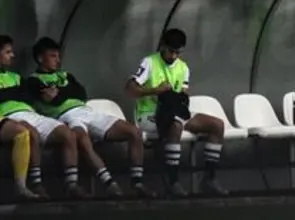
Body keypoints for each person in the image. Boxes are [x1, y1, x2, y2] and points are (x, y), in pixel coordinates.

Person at [28, 37, 151, 197]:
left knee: (134, 132)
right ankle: (109, 183)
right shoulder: (33, 80)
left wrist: (60, 93)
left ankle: (137, 183)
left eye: (58, 56)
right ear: (40, 58)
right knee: (83, 140)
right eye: (53, 56)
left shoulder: (67, 76)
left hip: (86, 110)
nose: (57, 60)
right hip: (65, 116)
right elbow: (49, 100)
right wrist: (65, 94)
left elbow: (81, 93)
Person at [127, 29, 226, 196]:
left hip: (175, 111)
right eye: (171, 51)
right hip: (150, 115)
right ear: (163, 47)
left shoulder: (183, 68)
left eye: (177, 52)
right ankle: (173, 181)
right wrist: (154, 91)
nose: (173, 56)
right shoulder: (149, 62)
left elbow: (184, 92)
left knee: (217, 125)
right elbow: (130, 90)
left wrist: (181, 97)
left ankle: (209, 178)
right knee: (176, 125)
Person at [0, 36, 85, 198]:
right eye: (8, 52)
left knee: (68, 133)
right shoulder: (27, 80)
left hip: (30, 112)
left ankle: (72, 184)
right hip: (9, 116)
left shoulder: (16, 77)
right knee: (31, 132)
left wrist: (8, 93)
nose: (12, 55)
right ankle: (37, 184)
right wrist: (14, 93)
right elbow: (19, 93)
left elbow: (28, 96)